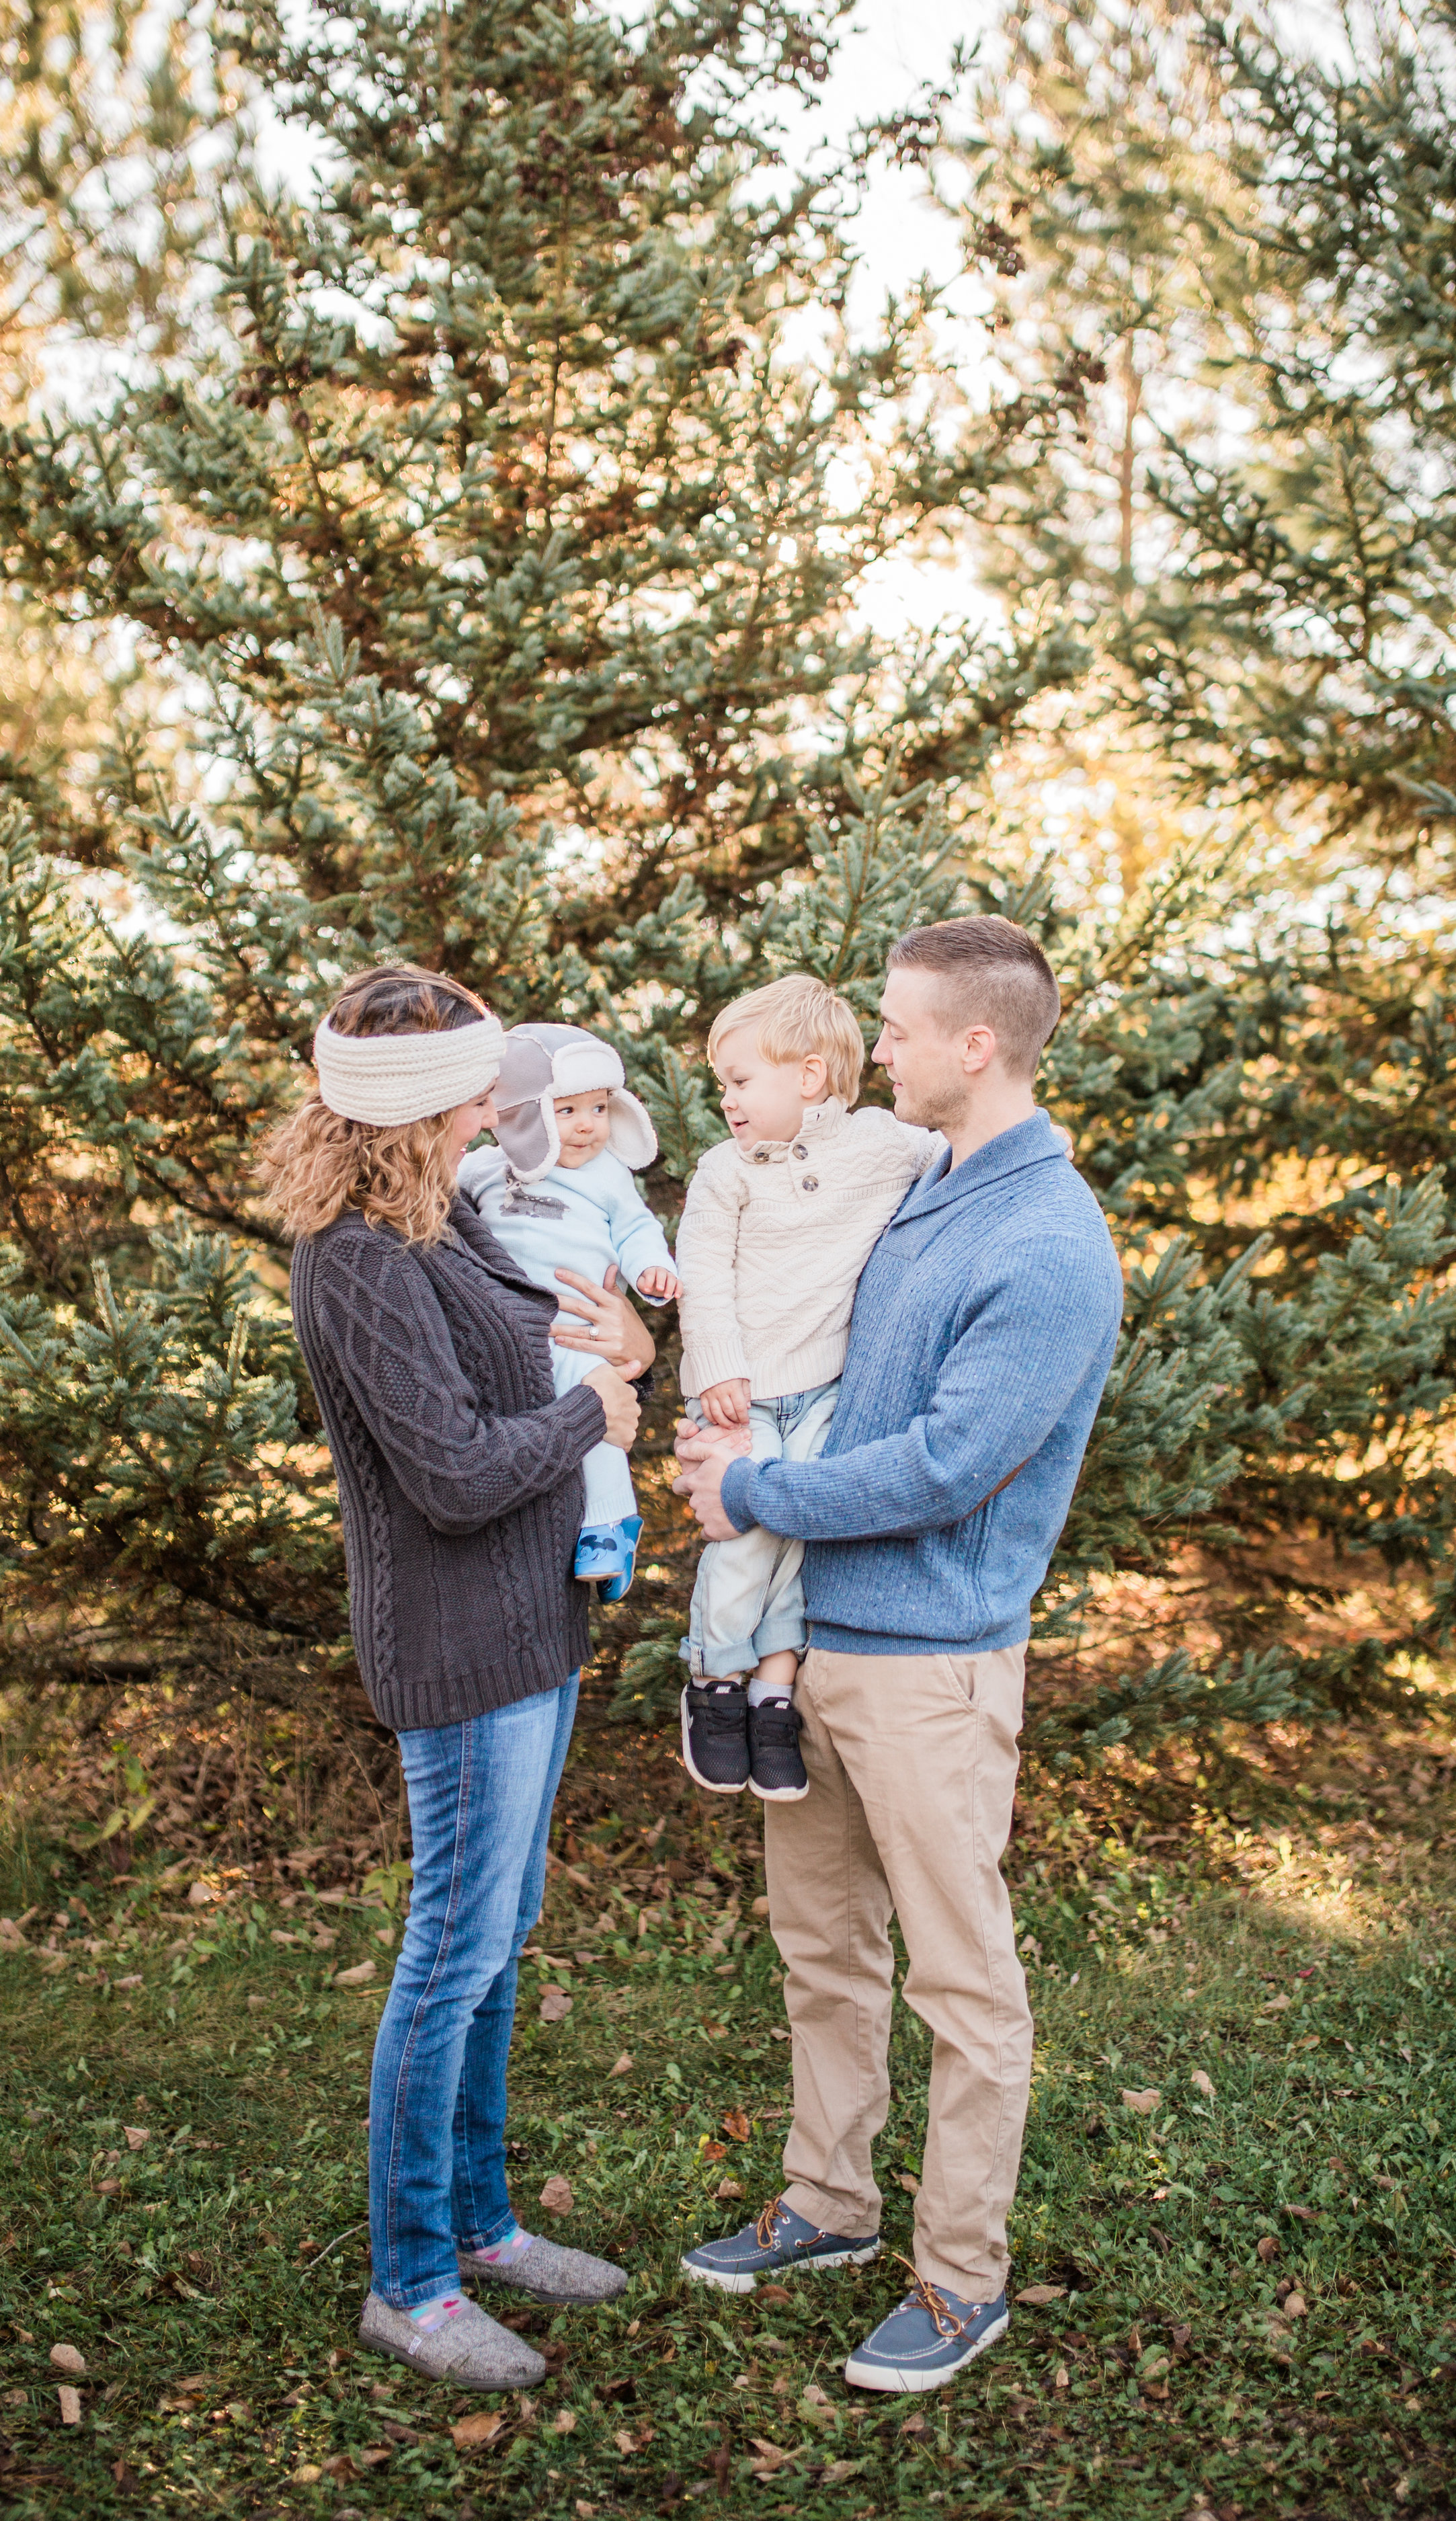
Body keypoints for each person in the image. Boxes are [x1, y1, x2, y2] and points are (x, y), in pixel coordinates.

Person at [674, 916, 1124, 2395]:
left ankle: (959, 2279)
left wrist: (753, 1496)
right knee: (821, 1950)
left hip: (932, 1664)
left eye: (894, 1027)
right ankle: (827, 2204)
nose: (875, 1048)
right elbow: (783, 1287)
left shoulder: (1045, 1240)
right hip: (814, 1650)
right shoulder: (916, 1181)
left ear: (972, 1045)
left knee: (962, 1984)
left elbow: (948, 1467)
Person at [264, 963, 653, 2391]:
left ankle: (482, 2227)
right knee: (448, 1959)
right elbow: (445, 1474)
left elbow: (537, 1360)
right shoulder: (357, 1256)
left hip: (531, 1620)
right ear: (417, 1107)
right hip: (456, 1636)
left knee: (497, 1943)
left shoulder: (446, 1210)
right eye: (478, 1083)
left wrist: (616, 1354)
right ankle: (412, 2283)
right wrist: (589, 1411)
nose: (503, 1100)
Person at [672, 974, 941, 1803]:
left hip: (828, 1389)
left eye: (741, 1081)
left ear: (811, 1077)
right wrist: (717, 1365)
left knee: (800, 1543)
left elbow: (966, 1152)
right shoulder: (726, 1172)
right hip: (740, 1394)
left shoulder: (883, 1144)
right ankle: (715, 1679)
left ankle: (773, 1692)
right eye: (723, 1085)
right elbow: (703, 1271)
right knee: (747, 1541)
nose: (727, 1100)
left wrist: (1051, 1144)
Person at [459, 1022, 678, 1601]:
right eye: (568, 1110)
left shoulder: (607, 1176)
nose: (587, 1124)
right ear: (525, 1114)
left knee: (598, 1416)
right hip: (512, 1332)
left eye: (600, 1109)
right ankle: (572, 1532)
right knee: (546, 1430)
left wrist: (651, 1271)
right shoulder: (486, 1167)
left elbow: (636, 1229)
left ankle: (609, 1526)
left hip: (582, 1329)